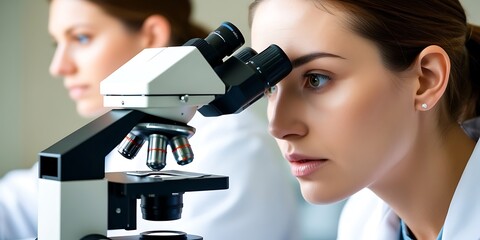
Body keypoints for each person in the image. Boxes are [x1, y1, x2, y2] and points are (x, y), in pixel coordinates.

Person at [0, 0, 299, 239]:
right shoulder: (110, 138)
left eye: (81, 37)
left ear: (153, 35)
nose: (59, 66)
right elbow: (13, 207)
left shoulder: (234, 145)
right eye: (57, 44)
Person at [249, 0, 480, 239]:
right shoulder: (359, 220)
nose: (278, 127)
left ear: (426, 80)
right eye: (269, 87)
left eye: (316, 79)